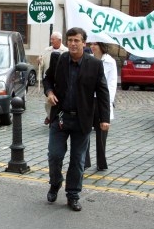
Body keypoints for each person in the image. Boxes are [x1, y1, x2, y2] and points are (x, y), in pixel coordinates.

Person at [43, 27, 110, 211]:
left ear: (84, 43)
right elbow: (47, 80)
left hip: (82, 120)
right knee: (54, 155)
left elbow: (103, 92)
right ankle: (55, 182)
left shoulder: (95, 65)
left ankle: (73, 194)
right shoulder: (60, 59)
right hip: (61, 117)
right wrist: (49, 92)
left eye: (76, 40)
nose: (73, 43)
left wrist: (104, 118)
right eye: (70, 40)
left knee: (77, 160)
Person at [85, 42, 117, 171]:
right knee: (85, 131)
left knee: (102, 133)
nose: (92, 46)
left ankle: (101, 162)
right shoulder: (88, 59)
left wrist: (107, 101)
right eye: (91, 44)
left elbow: (112, 83)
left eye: (95, 44)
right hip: (88, 100)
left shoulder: (110, 61)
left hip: (102, 100)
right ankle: (85, 160)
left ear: (102, 46)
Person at [38, 32, 68, 125]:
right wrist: (40, 61)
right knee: (47, 102)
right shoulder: (47, 50)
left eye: (53, 39)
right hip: (49, 78)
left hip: (62, 79)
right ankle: (50, 116)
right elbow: (42, 65)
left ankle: (56, 118)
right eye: (51, 39)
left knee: (60, 100)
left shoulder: (66, 51)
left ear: (59, 40)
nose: (51, 41)